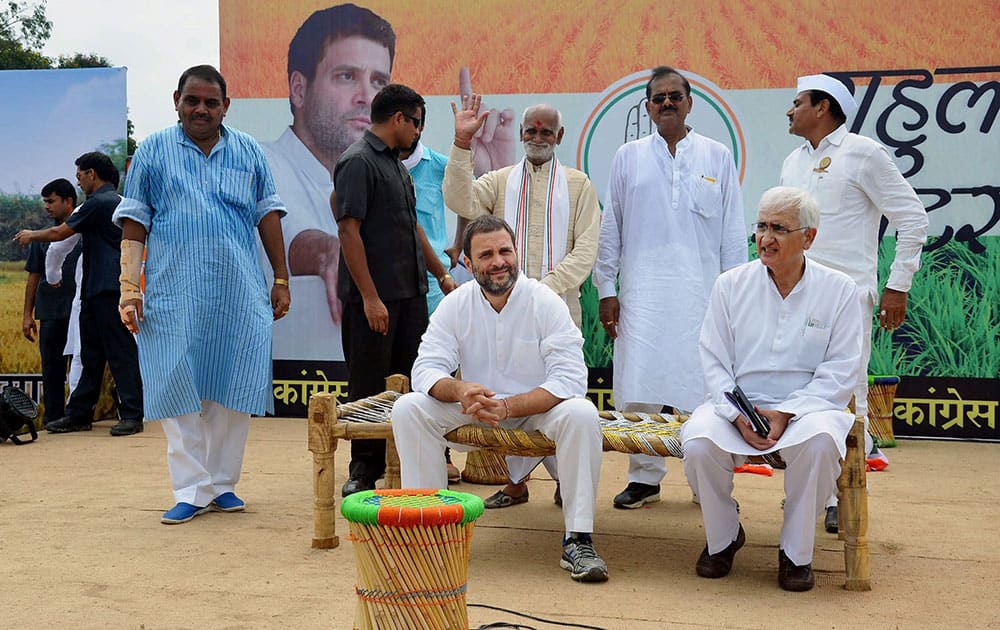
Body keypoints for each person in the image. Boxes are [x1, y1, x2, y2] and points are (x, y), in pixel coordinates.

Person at [113, 65, 290, 525]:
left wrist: (281, 278)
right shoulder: (152, 151)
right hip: (173, 291)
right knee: (176, 386)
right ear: (177, 99)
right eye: (193, 100)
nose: (201, 109)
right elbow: (134, 221)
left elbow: (268, 215)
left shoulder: (249, 150)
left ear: (225, 106)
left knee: (233, 387)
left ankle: (222, 484)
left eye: (211, 102)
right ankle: (191, 489)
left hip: (238, 289)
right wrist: (130, 288)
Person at [391, 215, 608, 583]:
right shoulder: (456, 304)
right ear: (469, 263)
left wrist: (509, 406)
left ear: (516, 254)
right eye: (486, 254)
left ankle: (578, 539)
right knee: (409, 407)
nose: (498, 261)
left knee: (582, 413)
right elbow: (425, 369)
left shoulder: (544, 302)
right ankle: (431, 532)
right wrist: (460, 390)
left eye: (505, 251)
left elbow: (571, 377)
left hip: (536, 411)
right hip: (474, 408)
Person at [682, 186, 862, 592]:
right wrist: (739, 415)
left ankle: (796, 553)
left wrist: (787, 412)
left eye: (779, 228)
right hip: (737, 405)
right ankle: (724, 537)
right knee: (696, 442)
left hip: (809, 408)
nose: (765, 238)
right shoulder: (731, 285)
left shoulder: (839, 290)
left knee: (819, 444)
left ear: (809, 237)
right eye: (761, 226)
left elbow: (842, 369)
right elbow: (713, 359)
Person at [779, 73, 929, 531]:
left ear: (823, 108)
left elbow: (912, 219)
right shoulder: (791, 161)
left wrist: (897, 285)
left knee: (849, 397)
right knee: (801, 395)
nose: (790, 110)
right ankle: (815, 498)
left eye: (798, 102)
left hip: (847, 297)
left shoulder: (863, 153)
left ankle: (845, 498)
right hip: (794, 294)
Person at [593, 66, 746, 509]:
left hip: (703, 296)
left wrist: (735, 294)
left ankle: (708, 481)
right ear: (647, 107)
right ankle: (644, 477)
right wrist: (607, 286)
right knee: (640, 382)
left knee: (705, 385)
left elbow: (733, 232)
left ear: (689, 102)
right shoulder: (628, 156)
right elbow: (612, 228)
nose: (666, 103)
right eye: (658, 98)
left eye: (674, 96)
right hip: (643, 295)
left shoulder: (717, 155)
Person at [443, 99, 601, 507]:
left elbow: (586, 249)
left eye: (546, 131)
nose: (537, 137)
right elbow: (459, 199)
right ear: (521, 134)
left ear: (559, 137)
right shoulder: (499, 181)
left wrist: (541, 291)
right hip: (502, 313)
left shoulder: (578, 184)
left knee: (560, 397)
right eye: (530, 130)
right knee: (507, 389)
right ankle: (515, 483)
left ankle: (567, 482)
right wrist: (462, 142)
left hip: (558, 310)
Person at [335, 83, 457, 497]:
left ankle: (419, 460)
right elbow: (348, 231)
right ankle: (363, 470)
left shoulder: (396, 165)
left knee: (417, 378)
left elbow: (414, 226)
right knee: (369, 383)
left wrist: (440, 273)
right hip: (372, 300)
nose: (419, 133)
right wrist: (370, 297)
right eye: (417, 123)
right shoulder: (357, 162)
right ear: (400, 119)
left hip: (411, 295)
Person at [262, 3, 396, 361]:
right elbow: (292, 235)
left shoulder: (383, 170)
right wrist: (329, 251)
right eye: (347, 76)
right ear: (299, 89)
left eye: (379, 81)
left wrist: (477, 169)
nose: (367, 97)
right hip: (289, 381)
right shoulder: (263, 161)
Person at [14, 153, 144, 437]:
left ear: (92, 174)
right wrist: (55, 273)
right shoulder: (111, 202)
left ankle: (133, 414)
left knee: (120, 351)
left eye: (80, 176)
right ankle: (79, 414)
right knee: (91, 353)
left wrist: (31, 235)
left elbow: (62, 233)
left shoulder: (100, 203)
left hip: (109, 288)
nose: (79, 181)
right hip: (96, 289)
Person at [21, 179, 80, 428]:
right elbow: (34, 276)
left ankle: (79, 415)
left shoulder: (86, 233)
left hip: (79, 311)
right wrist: (27, 315)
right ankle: (54, 417)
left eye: (51, 201)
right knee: (52, 369)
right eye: (45, 201)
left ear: (69, 201)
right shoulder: (42, 237)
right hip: (51, 312)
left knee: (82, 364)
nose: (47, 206)